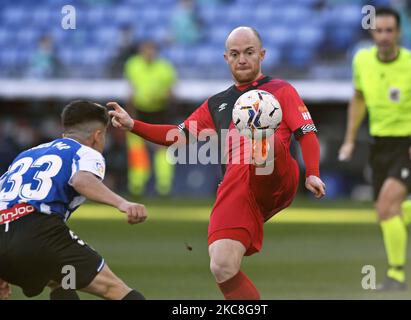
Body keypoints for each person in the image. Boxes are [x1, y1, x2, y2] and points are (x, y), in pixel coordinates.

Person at [109, 26, 326, 300]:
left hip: (276, 173)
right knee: (221, 265)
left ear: (262, 54)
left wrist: (313, 173)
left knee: (259, 135)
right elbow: (177, 136)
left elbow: (306, 133)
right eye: (235, 54)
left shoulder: (281, 90)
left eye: (249, 52)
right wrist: (133, 125)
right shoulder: (217, 104)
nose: (242, 59)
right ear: (226, 58)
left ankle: (260, 143)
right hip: (239, 186)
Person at [0, 100, 147, 300]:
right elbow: (81, 180)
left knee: (61, 279)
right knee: (114, 289)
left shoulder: (28, 154)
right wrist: (123, 203)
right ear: (97, 136)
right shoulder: (85, 152)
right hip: (38, 230)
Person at [339, 7, 411, 290]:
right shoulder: (362, 60)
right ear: (372, 32)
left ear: (398, 33)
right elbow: (358, 98)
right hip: (378, 145)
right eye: (379, 30)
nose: (384, 36)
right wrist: (349, 139)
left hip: (409, 145)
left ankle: (396, 275)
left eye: (389, 31)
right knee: (386, 212)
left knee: (387, 206)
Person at [124, 41, 177, 197]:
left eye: (151, 50)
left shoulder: (165, 68)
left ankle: (164, 187)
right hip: (139, 111)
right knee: (137, 150)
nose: (148, 53)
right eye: (145, 49)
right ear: (140, 51)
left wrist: (162, 96)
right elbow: (131, 90)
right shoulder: (133, 65)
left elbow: (171, 93)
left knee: (162, 150)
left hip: (160, 112)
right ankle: (137, 185)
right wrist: (130, 112)